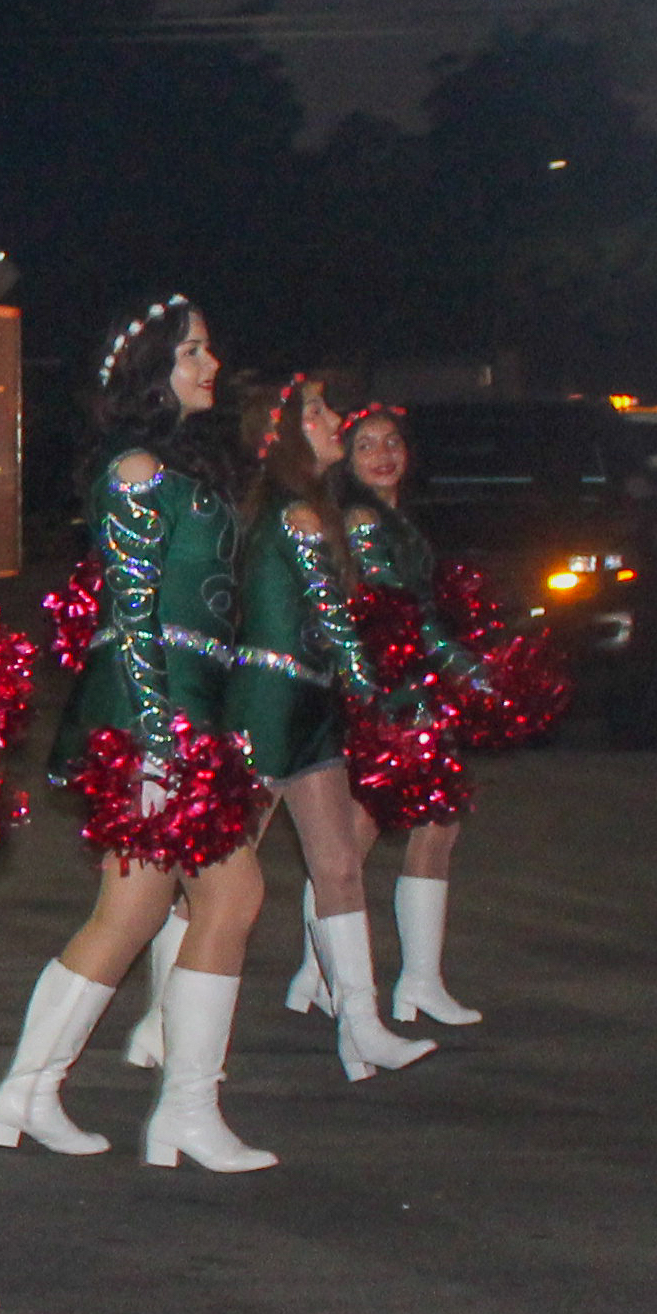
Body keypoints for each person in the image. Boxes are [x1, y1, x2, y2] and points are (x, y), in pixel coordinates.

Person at [0, 299, 281, 1171]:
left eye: (208, 345)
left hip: (186, 707)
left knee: (132, 909)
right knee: (229, 897)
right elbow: (131, 609)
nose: (210, 362)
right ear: (151, 368)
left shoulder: (188, 468)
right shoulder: (137, 468)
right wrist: (156, 737)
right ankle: (183, 1111)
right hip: (150, 713)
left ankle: (28, 1090)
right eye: (192, 349)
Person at [218, 377, 431, 1087]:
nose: (335, 419)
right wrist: (379, 694)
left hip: (308, 704)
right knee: (218, 869)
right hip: (267, 701)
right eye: (317, 413)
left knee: (337, 862)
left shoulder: (315, 506)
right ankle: (166, 1018)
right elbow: (332, 624)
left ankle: (361, 1026)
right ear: (284, 433)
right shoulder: (296, 510)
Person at [294, 401, 484, 1025]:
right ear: (347, 463)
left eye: (392, 441)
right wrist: (464, 669)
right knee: (350, 842)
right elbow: (397, 616)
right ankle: (324, 969)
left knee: (438, 827)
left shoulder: (400, 521)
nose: (383, 454)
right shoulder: (361, 521)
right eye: (366, 445)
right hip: (389, 693)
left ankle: (418, 980)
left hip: (414, 686)